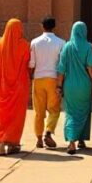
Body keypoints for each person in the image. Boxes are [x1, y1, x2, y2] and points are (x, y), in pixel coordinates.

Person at [0, 18, 31, 156]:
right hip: (19, 85)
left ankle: (1, 141)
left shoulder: (0, 43)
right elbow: (28, 63)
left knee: (2, 114)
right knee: (16, 116)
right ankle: (12, 143)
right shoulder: (24, 44)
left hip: (2, 85)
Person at [56, 21, 92, 155]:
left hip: (70, 86)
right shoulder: (89, 47)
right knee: (84, 112)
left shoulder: (67, 47)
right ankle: (80, 140)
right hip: (85, 86)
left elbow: (61, 69)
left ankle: (72, 141)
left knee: (71, 113)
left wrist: (59, 86)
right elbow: (91, 66)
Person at [29, 16, 65, 149]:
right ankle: (48, 132)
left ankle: (38, 138)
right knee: (54, 110)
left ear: (41, 26)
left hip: (38, 78)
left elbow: (31, 63)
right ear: (54, 26)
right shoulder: (61, 43)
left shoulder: (34, 42)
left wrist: (30, 78)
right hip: (53, 79)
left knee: (38, 111)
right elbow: (62, 64)